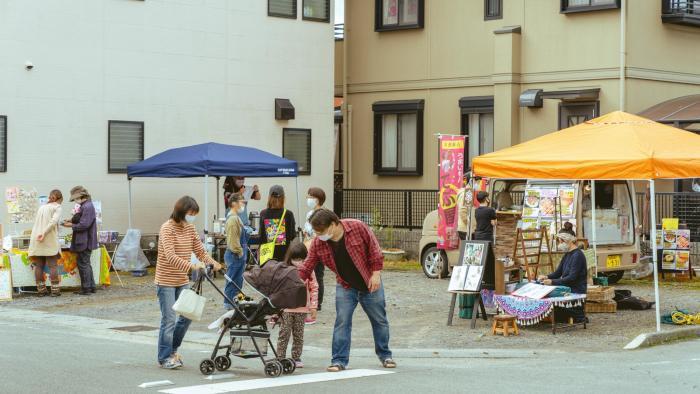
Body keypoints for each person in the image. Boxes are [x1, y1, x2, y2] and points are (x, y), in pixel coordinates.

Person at [298, 209, 396, 372]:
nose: (319, 235)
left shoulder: (358, 227)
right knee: (342, 321)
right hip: (345, 286)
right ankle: (339, 360)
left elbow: (374, 250)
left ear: (333, 224)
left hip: (369, 282)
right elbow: (307, 266)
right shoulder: (318, 243)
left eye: (321, 231)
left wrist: (376, 274)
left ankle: (385, 355)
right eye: (316, 232)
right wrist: (293, 283)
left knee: (379, 320)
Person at [155, 196, 222, 369]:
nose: (192, 216)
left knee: (187, 316)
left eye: (194, 214)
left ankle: (172, 350)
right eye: (190, 213)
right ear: (181, 211)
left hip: (182, 279)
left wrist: (212, 262)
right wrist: (192, 266)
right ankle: (164, 357)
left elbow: (200, 251)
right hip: (166, 280)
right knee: (169, 319)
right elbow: (170, 256)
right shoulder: (167, 228)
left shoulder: (190, 228)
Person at [277, 241, 318, 369]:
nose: (298, 262)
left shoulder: (309, 271)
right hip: (287, 309)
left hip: (302, 308)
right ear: (290, 258)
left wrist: (313, 306)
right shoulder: (284, 270)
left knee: (299, 335)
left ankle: (296, 357)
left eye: (301, 259)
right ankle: (280, 357)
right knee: (284, 334)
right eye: (295, 259)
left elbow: (314, 287)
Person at [538, 222, 587, 323]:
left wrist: (552, 282)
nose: (559, 244)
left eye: (560, 241)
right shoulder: (567, 255)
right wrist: (546, 277)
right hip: (567, 287)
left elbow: (572, 278)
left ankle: (577, 316)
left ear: (568, 241)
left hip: (575, 290)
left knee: (551, 303)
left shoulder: (577, 255)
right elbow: (557, 273)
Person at [61, 186, 98, 296]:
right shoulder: (86, 205)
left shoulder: (87, 206)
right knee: (86, 263)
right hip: (85, 239)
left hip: (85, 240)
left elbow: (84, 224)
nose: (75, 201)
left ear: (81, 196)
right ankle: (91, 286)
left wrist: (71, 225)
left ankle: (86, 288)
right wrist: (71, 220)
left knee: (83, 264)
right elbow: (82, 219)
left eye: (76, 199)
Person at [28, 190, 64, 297]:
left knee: (39, 265)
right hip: (48, 237)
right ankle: (55, 290)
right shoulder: (57, 207)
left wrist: (40, 233)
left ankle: (41, 290)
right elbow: (53, 222)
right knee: (53, 265)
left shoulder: (42, 207)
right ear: (60, 199)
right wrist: (44, 233)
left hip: (36, 237)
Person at [303, 186, 326, 320]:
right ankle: (310, 299)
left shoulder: (323, 214)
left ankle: (318, 303)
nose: (308, 199)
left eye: (310, 197)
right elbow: (307, 230)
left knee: (318, 274)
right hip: (308, 247)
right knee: (309, 275)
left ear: (317, 199)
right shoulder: (309, 213)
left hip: (319, 247)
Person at [258, 185, 296, 262]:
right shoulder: (288, 214)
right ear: (283, 198)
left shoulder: (263, 213)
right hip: (284, 256)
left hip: (267, 256)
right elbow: (292, 238)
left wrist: (259, 257)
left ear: (269, 197)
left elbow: (261, 237)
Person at [224, 193, 247, 310]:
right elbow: (233, 241)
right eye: (241, 201)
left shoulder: (236, 217)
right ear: (233, 203)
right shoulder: (233, 219)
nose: (243, 204)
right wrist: (240, 252)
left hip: (237, 255)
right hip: (235, 255)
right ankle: (229, 306)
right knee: (232, 281)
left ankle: (238, 303)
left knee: (238, 281)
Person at [456, 172, 472, 240]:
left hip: (464, 227)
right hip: (466, 228)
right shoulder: (468, 193)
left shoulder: (466, 191)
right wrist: (470, 224)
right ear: (471, 181)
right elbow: (463, 211)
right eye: (477, 180)